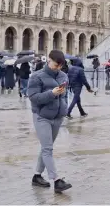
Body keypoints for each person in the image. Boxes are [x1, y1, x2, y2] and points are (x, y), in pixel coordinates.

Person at [28, 50, 72, 193]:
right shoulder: (36, 76)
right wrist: (51, 94)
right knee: (48, 149)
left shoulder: (64, 76)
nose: (58, 68)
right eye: (56, 64)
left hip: (57, 117)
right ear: (49, 60)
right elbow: (33, 97)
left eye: (60, 65)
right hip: (42, 116)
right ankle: (57, 180)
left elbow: (65, 95)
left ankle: (36, 176)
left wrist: (64, 107)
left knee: (46, 147)